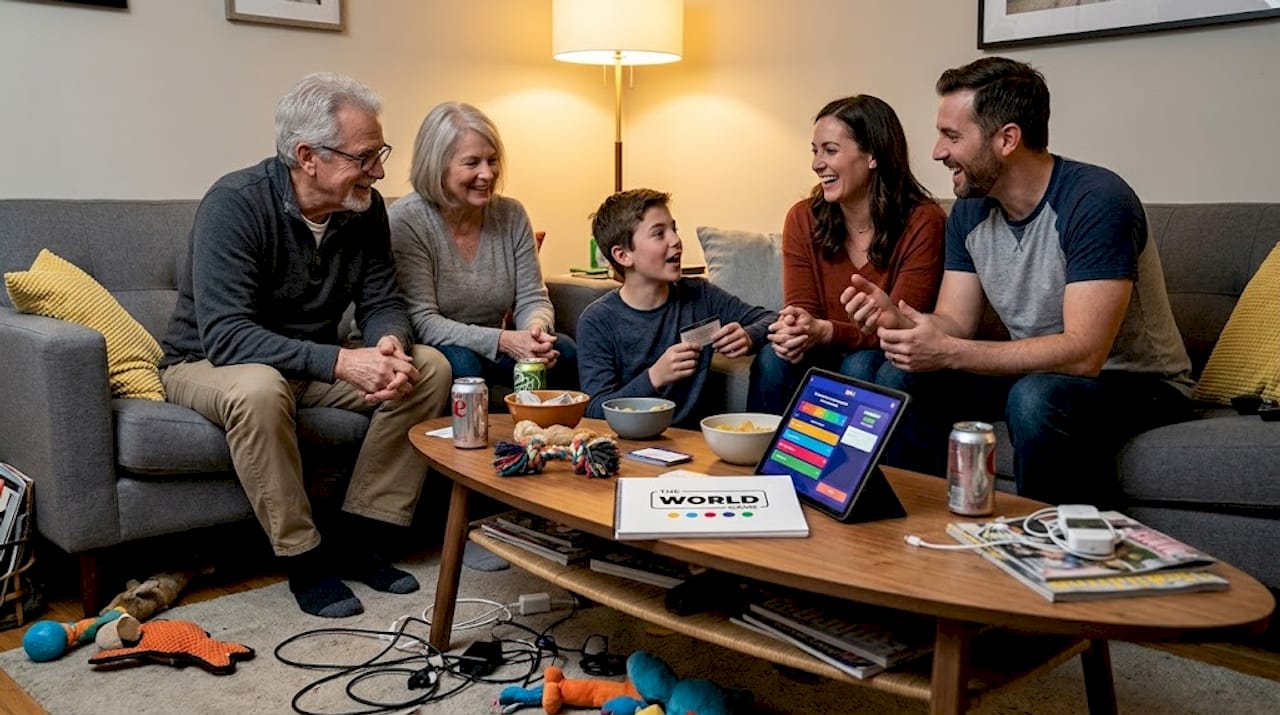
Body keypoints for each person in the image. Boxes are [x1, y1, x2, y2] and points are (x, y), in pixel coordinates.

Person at [159, 72, 452, 618]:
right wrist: (343, 360)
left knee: (429, 366)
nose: (380, 171)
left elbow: (383, 299)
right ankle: (304, 556)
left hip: (307, 366)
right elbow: (226, 336)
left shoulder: (366, 211)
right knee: (260, 388)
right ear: (308, 156)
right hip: (207, 362)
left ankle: (361, 535)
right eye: (365, 157)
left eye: (379, 153)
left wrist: (388, 344)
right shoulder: (235, 204)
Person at [841, 57, 1194, 507]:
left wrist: (949, 351)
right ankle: (912, 540)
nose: (936, 152)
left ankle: (1046, 555)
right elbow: (956, 322)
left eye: (952, 136)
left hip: (1139, 385)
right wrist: (904, 322)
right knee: (900, 375)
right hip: (1037, 371)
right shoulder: (970, 208)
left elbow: (1085, 354)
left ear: (1007, 139)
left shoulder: (1097, 201)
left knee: (1036, 398)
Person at [753, 95, 945, 415]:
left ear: (872, 155)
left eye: (830, 150)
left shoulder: (924, 221)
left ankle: (852, 467)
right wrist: (795, 325)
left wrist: (827, 331)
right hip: (825, 348)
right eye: (815, 152)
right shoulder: (803, 217)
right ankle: (763, 464)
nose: (817, 164)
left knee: (860, 366)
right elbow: (803, 309)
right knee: (775, 357)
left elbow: (900, 327)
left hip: (889, 354)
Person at [388, 101, 577, 395]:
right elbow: (422, 321)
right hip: (435, 347)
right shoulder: (408, 219)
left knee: (564, 352)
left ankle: (552, 441)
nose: (487, 174)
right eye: (472, 162)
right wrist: (503, 340)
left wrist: (535, 333)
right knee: (465, 368)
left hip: (497, 345)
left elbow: (532, 297)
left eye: (492, 160)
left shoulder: (511, 214)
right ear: (438, 166)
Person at [577, 189, 778, 428]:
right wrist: (654, 378)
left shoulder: (700, 294)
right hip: (629, 445)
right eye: (659, 234)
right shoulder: (597, 321)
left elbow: (771, 318)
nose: (675, 240)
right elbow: (594, 409)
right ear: (623, 255)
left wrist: (749, 336)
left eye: (674, 229)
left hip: (694, 443)